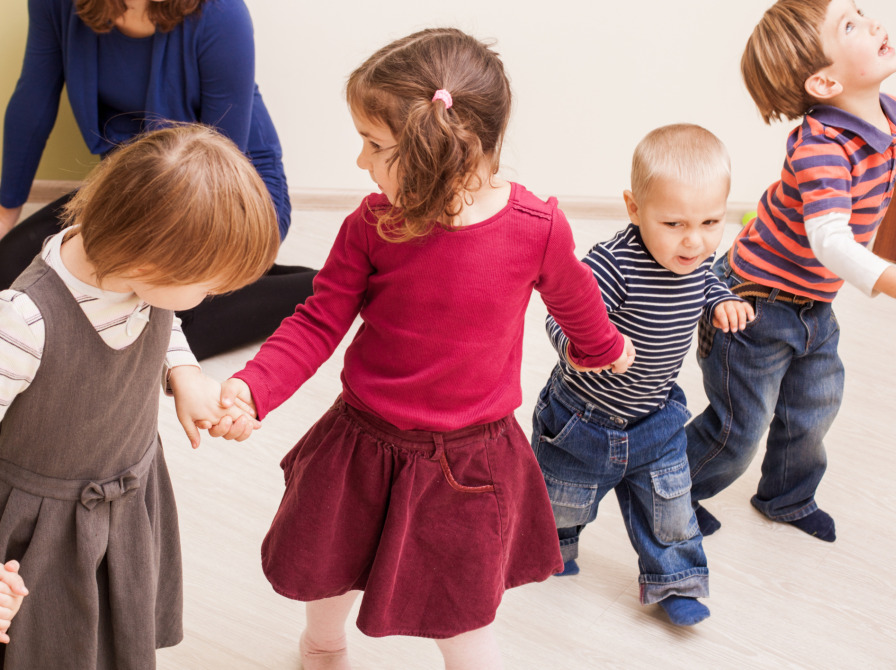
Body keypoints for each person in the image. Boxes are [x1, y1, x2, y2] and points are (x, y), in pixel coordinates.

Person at [205, 27, 635, 670]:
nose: (360, 162)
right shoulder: (371, 226)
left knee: (461, 611)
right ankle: (322, 644)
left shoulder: (536, 229)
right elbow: (319, 319)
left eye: (374, 146)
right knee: (331, 563)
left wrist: (602, 349)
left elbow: (574, 298)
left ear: (438, 153)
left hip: (467, 461)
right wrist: (253, 386)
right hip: (364, 440)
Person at [0, 123, 274, 668]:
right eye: (209, 286)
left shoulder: (125, 261)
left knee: (112, 629)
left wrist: (184, 373)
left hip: (127, 490)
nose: (211, 297)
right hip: (43, 528)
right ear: (148, 264)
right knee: (50, 645)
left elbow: (158, 311)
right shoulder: (23, 323)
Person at [685, 0, 896, 543]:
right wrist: (887, 278)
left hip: (811, 303)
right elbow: (830, 242)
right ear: (824, 83)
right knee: (739, 426)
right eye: (850, 24)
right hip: (753, 305)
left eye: (861, 10)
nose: (872, 21)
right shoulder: (820, 148)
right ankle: (671, 490)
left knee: (815, 405)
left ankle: (786, 496)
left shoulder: (888, 116)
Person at [0, 0, 316, 359]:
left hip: (230, 191)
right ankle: (232, 279)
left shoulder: (222, 12)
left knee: (155, 324)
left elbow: (219, 164)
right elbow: (33, 100)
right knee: (10, 269)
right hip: (136, 185)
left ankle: (313, 289)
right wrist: (4, 215)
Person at [530, 124, 753, 627]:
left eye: (711, 221)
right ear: (634, 208)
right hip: (583, 419)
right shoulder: (613, 264)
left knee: (670, 507)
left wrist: (722, 302)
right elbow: (559, 315)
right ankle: (553, 548)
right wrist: (590, 350)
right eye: (674, 223)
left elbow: (708, 279)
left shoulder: (697, 257)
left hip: (656, 416)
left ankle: (673, 580)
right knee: (561, 497)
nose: (695, 241)